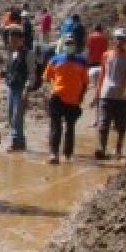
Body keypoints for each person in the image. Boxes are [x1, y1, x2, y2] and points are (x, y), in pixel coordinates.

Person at [92, 27, 126, 160]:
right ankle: (101, 148)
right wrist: (97, 93)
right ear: (113, 40)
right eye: (118, 39)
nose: (120, 42)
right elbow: (102, 74)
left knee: (121, 124)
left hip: (122, 95)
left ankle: (118, 148)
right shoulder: (106, 55)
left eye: (123, 40)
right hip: (106, 94)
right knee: (103, 122)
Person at [42, 35, 89, 164]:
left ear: (75, 45)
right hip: (57, 96)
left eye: (71, 43)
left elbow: (85, 82)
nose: (69, 46)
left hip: (74, 99)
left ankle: (68, 154)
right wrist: (50, 92)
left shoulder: (82, 61)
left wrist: (81, 96)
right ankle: (54, 154)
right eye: (67, 43)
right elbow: (46, 77)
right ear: (63, 45)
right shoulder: (55, 59)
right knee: (56, 126)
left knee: (70, 127)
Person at [2, 23, 34, 151]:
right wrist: (3, 74)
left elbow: (32, 73)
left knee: (17, 116)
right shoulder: (11, 53)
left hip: (21, 88)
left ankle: (16, 143)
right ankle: (20, 142)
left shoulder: (28, 54)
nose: (12, 43)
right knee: (11, 115)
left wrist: (27, 89)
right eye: (11, 41)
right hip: (12, 87)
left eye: (15, 40)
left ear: (21, 40)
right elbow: (10, 69)